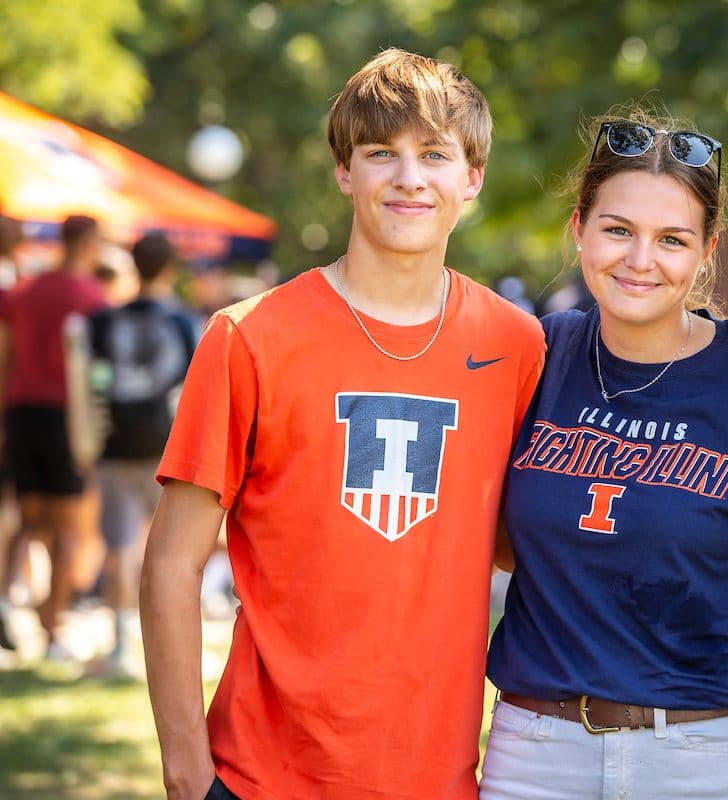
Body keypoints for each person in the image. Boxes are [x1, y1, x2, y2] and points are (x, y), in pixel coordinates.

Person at [140, 49, 545, 800]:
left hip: (442, 776)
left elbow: (512, 543)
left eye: (435, 154)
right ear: (343, 171)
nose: (409, 178)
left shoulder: (517, 345)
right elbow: (170, 564)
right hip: (261, 774)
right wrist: (187, 775)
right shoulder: (249, 336)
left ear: (473, 177)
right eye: (380, 153)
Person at [480, 113, 728, 800]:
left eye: (672, 239)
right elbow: (499, 532)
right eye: (617, 230)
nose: (640, 259)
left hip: (705, 754)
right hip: (535, 752)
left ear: (706, 252)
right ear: (579, 229)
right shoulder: (536, 356)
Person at [0, 214, 108, 659]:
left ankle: (8, 601)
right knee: (69, 529)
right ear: (88, 243)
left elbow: (5, 356)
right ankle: (51, 631)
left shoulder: (23, 292)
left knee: (27, 521)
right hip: (65, 418)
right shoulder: (91, 296)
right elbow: (96, 374)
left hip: (22, 413)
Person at [89, 233, 197, 673]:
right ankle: (174, 647)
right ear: (171, 267)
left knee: (118, 544)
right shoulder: (185, 322)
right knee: (178, 551)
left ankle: (120, 641)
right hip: (169, 449)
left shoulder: (102, 322)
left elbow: (94, 382)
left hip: (114, 443)